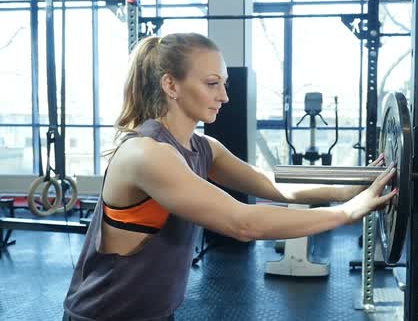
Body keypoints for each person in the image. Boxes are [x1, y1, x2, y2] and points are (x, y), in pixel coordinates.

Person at [63, 33, 396, 321]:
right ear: (170, 85)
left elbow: (270, 183)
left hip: (154, 312)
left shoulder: (203, 147)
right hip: (105, 314)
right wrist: (348, 212)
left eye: (223, 83)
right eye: (212, 84)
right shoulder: (147, 153)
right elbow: (243, 223)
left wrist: (347, 189)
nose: (224, 96)